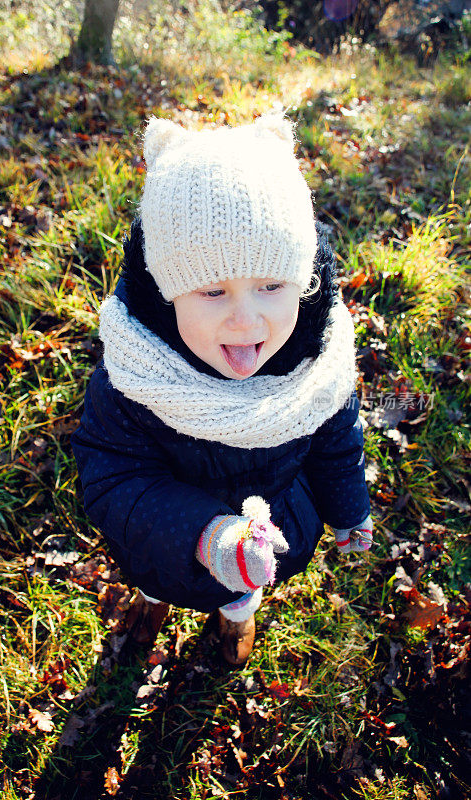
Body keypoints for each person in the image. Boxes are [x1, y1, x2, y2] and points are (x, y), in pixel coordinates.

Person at [70, 114, 373, 667]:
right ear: (167, 295)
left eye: (271, 286)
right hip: (168, 538)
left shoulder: (318, 370)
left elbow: (337, 444)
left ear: (303, 283)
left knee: (244, 585)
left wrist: (349, 511)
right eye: (212, 290)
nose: (246, 320)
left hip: (276, 522)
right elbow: (114, 475)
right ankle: (152, 603)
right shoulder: (139, 378)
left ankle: (238, 615)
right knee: (161, 577)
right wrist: (204, 537)